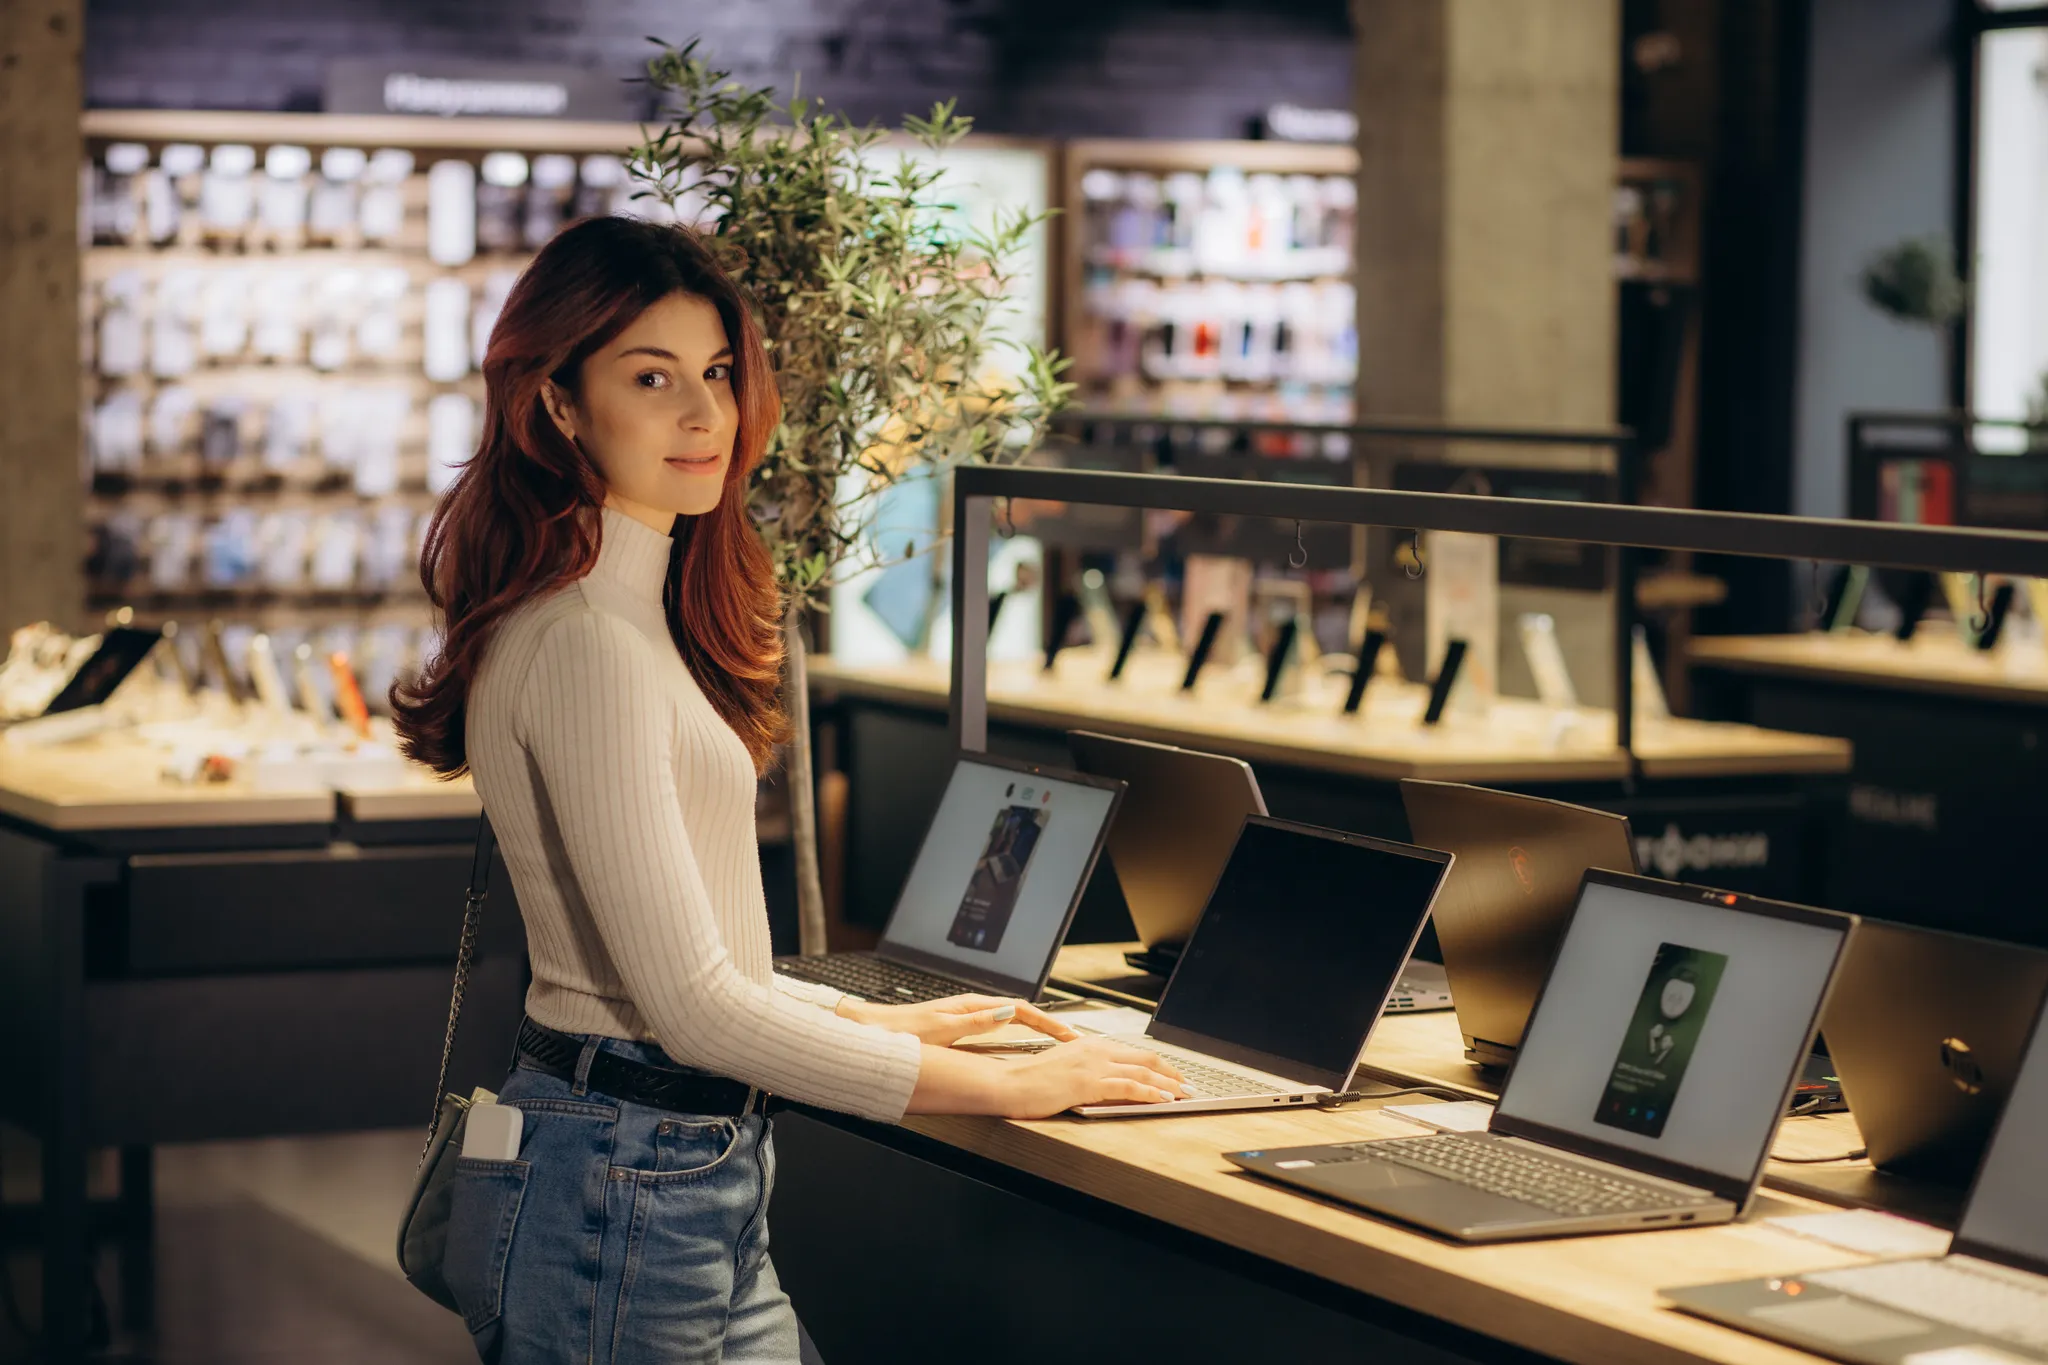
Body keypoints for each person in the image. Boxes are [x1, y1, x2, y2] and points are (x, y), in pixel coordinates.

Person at [391, 215, 1187, 1364]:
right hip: (624, 1181)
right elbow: (689, 1011)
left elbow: (691, 970)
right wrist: (1007, 1088)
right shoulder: (584, 641)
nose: (703, 414)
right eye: (650, 377)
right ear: (557, 403)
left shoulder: (626, 617)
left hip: (673, 1170)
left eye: (716, 372)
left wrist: (867, 1018)